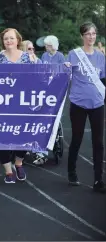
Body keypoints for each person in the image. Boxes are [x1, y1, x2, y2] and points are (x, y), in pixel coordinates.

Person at [65, 22, 105, 193]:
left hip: (97, 103)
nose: (91, 37)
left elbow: (103, 79)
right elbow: (64, 76)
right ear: (82, 36)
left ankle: (98, 179)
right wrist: (65, 69)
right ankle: (72, 171)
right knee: (77, 139)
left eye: (93, 33)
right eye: (87, 34)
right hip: (78, 103)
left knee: (98, 142)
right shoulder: (74, 55)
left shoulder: (101, 57)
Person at [0, 28, 35, 184]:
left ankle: (18, 163)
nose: (8, 41)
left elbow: (40, 78)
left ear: (18, 40)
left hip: (22, 103)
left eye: (11, 38)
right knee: (2, 137)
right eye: (5, 39)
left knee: (23, 136)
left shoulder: (28, 58)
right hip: (2, 104)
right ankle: (8, 171)